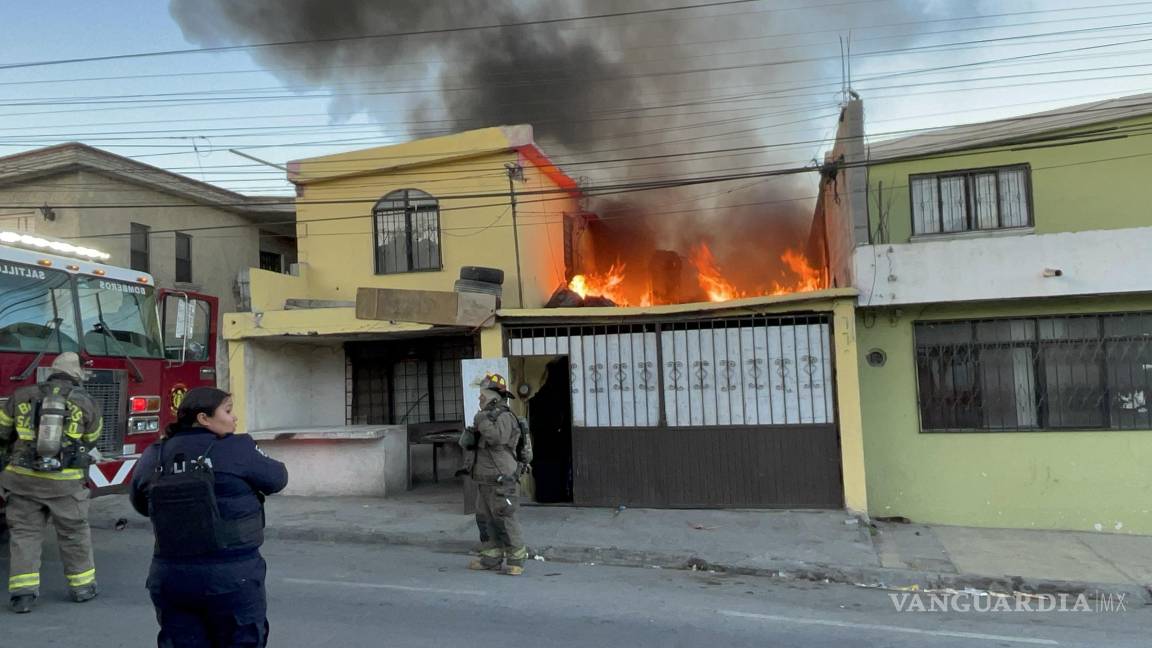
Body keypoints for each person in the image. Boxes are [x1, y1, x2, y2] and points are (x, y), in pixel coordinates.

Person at [130, 388, 288, 647]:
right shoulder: (237, 447)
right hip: (232, 576)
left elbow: (141, 504)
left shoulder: (156, 453)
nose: (234, 418)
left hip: (170, 576)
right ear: (204, 419)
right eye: (228, 410)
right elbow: (277, 478)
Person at [0, 352, 102, 614]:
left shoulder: (21, 394)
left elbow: (2, 431)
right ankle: (82, 588)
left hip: (22, 481)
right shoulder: (85, 401)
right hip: (65, 484)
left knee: (24, 535)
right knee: (73, 533)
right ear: (77, 373)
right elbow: (92, 437)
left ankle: (23, 595)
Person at [464, 373, 528, 576]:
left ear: (494, 396)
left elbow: (497, 439)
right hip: (484, 480)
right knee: (485, 520)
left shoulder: (504, 417)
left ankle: (516, 560)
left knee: (505, 520)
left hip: (502, 479)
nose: (479, 399)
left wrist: (481, 419)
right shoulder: (486, 418)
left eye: (482, 395)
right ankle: (491, 558)